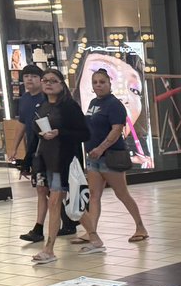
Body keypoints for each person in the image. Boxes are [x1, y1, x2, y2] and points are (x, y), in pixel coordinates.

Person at [71, 68, 149, 254]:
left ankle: (140, 226)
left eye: (102, 82)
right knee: (94, 195)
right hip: (93, 157)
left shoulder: (114, 105)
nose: (98, 85)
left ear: (109, 84)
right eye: (95, 82)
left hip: (109, 156)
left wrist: (101, 148)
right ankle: (92, 232)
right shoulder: (93, 102)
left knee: (121, 193)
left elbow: (116, 131)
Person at [29, 69, 91, 265]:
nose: (48, 84)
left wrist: (60, 132)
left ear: (61, 84)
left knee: (55, 202)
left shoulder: (69, 107)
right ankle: (95, 237)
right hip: (47, 159)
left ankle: (49, 248)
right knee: (72, 201)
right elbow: (35, 129)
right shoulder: (43, 106)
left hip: (64, 161)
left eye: (53, 81)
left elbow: (84, 134)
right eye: (45, 80)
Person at [14, 66, 64, 243]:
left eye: (34, 76)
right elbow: (23, 125)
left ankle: (81, 226)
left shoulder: (49, 101)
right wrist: (15, 148)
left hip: (53, 153)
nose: (29, 80)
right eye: (26, 76)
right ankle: (39, 228)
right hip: (36, 151)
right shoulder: (25, 99)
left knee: (57, 193)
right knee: (43, 190)